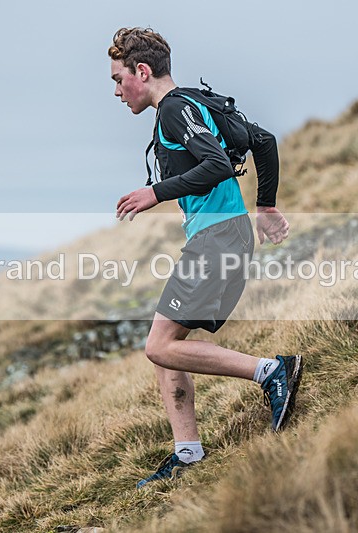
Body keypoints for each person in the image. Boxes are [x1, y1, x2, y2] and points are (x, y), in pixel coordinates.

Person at [108, 27, 303, 489]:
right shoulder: (193, 102)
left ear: (142, 71)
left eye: (119, 80)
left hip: (217, 240)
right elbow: (265, 139)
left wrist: (154, 192)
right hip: (220, 236)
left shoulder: (176, 109)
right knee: (164, 345)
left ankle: (272, 371)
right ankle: (188, 451)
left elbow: (215, 164)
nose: (117, 92)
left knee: (157, 346)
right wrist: (267, 206)